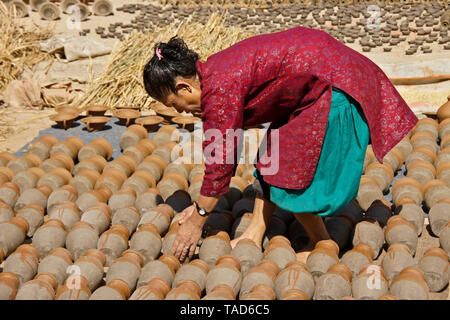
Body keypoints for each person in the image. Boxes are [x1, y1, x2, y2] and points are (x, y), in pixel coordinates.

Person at [143, 27, 418, 262]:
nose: (180, 111)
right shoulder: (214, 71)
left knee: (291, 176)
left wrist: (198, 217)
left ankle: (322, 242)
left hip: (332, 86)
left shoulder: (219, 90)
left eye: (173, 104)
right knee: (271, 158)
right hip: (312, 83)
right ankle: (255, 230)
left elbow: (221, 162)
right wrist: (202, 204)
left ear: (183, 88)